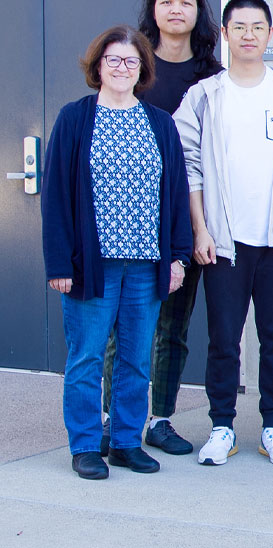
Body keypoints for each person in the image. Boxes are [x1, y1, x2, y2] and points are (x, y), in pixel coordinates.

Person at [42, 25, 191, 479]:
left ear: (142, 68)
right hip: (92, 265)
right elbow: (55, 196)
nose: (122, 68)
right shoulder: (75, 118)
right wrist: (59, 262)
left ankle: (126, 441)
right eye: (113, 60)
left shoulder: (159, 123)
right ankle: (86, 444)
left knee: (135, 357)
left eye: (131, 61)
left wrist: (177, 257)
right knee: (86, 355)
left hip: (146, 265)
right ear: (98, 67)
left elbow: (177, 195)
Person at [175, 0, 273, 467]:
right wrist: (200, 230)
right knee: (223, 337)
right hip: (225, 241)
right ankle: (222, 427)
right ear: (225, 34)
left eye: (258, 27)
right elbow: (188, 166)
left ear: (270, 34)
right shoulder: (205, 96)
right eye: (240, 26)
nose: (249, 35)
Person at [97, 0, 223, 458]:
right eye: (166, 0)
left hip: (185, 218)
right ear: (153, 9)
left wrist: (199, 225)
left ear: (198, 13)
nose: (175, 9)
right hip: (127, 217)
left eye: (185, 2)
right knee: (121, 326)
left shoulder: (213, 77)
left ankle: (160, 419)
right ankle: (112, 420)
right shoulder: (131, 66)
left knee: (173, 325)